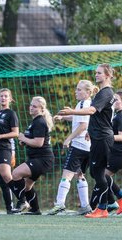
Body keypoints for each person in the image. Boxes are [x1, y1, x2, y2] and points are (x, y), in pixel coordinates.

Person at [58, 63, 115, 218]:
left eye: (99, 73)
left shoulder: (106, 92)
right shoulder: (103, 93)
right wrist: (90, 130)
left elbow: (91, 111)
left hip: (103, 138)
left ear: (107, 75)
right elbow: (97, 117)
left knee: (98, 173)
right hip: (98, 137)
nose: (96, 75)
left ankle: (103, 208)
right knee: (98, 172)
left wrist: (72, 111)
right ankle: (111, 203)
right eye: (95, 73)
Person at [47, 80, 97, 215]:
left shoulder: (84, 104)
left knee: (66, 175)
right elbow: (78, 118)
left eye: (79, 89)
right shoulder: (87, 104)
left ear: (88, 92)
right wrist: (64, 118)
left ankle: (60, 204)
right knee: (80, 174)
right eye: (76, 89)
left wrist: (68, 139)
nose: (76, 91)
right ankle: (86, 206)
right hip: (88, 147)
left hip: (79, 145)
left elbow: (83, 126)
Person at [10, 96, 55, 215]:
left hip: (42, 159)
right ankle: (35, 209)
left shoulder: (40, 122)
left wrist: (23, 138)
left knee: (15, 173)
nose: (31, 108)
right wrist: (24, 141)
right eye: (31, 105)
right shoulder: (35, 121)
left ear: (41, 109)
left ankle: (22, 202)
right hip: (37, 158)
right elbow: (33, 140)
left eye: (34, 106)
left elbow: (39, 143)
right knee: (27, 186)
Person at [105, 90, 122, 214]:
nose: (114, 102)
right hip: (115, 152)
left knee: (103, 175)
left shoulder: (120, 116)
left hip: (118, 153)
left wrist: (106, 136)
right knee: (103, 176)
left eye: (116, 99)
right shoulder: (116, 115)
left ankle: (117, 199)